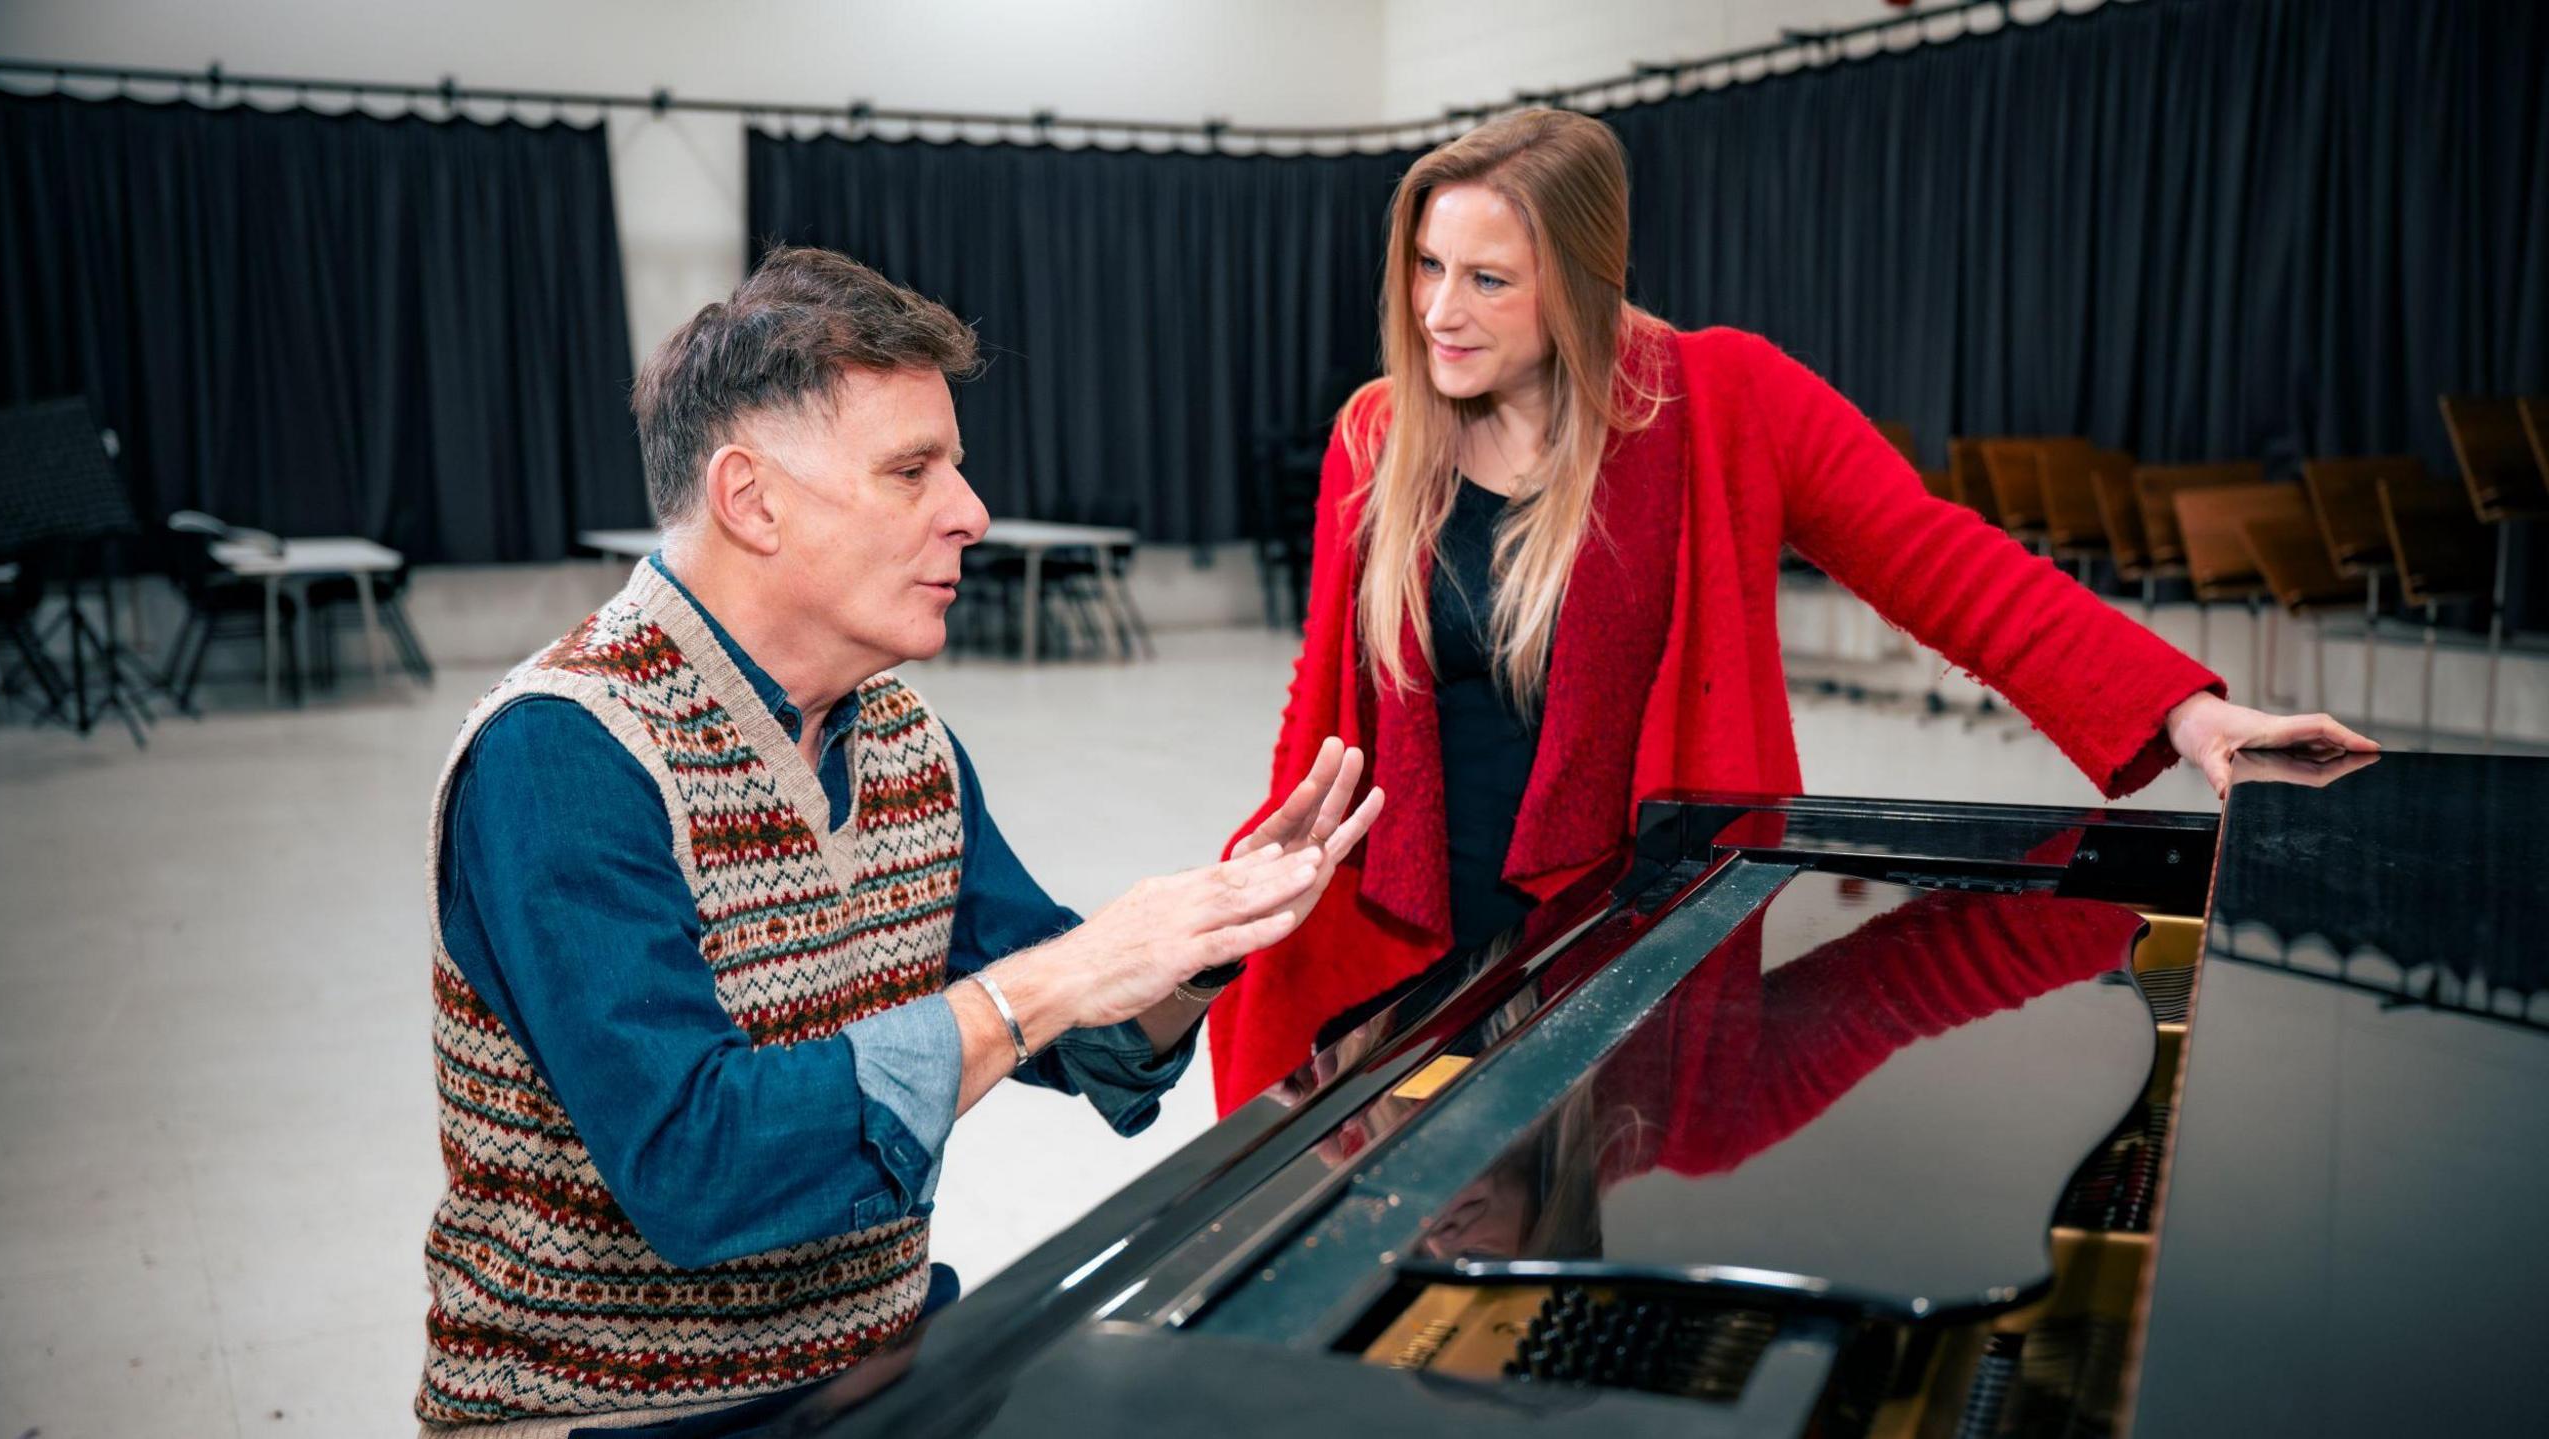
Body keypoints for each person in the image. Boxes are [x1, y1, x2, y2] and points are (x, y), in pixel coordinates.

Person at [1207, 108, 2371, 1114]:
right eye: (1425, 265)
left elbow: (1936, 558)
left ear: (1580, 277)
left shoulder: (1720, 397)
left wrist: (2186, 714)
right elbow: (1328, 692)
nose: (1437, 312)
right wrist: (1250, 889)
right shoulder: (1377, 432)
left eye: (1486, 278)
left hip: (1632, 937)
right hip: (1413, 936)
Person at [412, 247, 1379, 1435]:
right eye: (912, 470)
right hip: (614, 1415)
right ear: (750, 498)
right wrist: (1046, 982)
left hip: (873, 1366)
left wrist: (1200, 941)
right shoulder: (563, 756)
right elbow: (697, 1167)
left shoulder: (904, 739)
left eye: (955, 468)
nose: (968, 512)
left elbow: (1081, 1036)